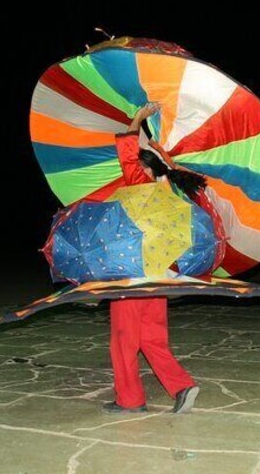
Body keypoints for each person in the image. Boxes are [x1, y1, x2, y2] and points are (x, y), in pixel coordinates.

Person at [103, 103, 203, 414]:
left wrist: (137, 120)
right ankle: (182, 386)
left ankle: (130, 399)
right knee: (152, 339)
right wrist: (160, 150)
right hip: (160, 276)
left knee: (123, 340)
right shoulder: (172, 190)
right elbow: (169, 168)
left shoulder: (141, 186)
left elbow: (126, 152)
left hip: (133, 274)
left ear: (145, 168)